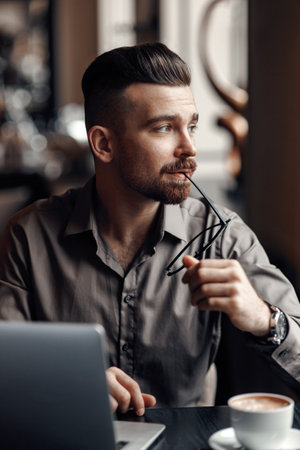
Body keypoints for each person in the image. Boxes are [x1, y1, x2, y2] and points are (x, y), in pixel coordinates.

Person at [0, 43, 299, 416]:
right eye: (164, 128)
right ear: (104, 144)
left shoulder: (223, 235)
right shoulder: (28, 237)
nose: (189, 147)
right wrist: (65, 383)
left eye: (191, 125)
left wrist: (262, 318)